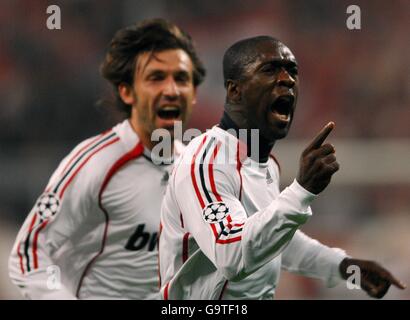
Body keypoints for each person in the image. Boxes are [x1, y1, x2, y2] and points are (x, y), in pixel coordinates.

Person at [158, 36, 406, 299]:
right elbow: (230, 255)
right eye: (269, 69)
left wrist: (342, 265)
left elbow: (276, 241)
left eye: (292, 71)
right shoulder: (206, 162)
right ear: (234, 90)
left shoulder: (266, 166)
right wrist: (300, 191)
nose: (287, 79)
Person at [8, 18, 205, 299]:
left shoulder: (200, 171)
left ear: (194, 93)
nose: (171, 90)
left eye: (181, 78)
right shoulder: (96, 162)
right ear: (126, 92)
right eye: (156, 77)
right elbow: (29, 251)